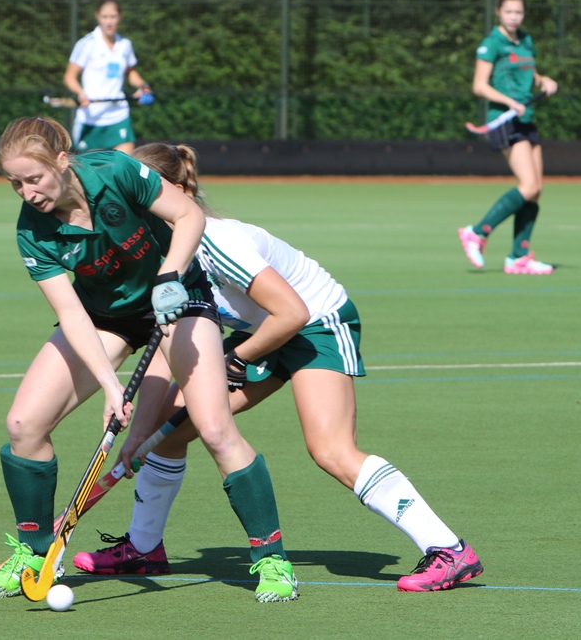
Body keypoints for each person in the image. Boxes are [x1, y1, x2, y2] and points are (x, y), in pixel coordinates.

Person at [73, 143, 483, 593]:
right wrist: (139, 431)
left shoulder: (216, 242)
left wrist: (238, 358)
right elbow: (164, 346)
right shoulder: (159, 255)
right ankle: (143, 548)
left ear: (176, 192)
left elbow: (293, 312)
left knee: (330, 449)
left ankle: (449, 550)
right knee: (168, 430)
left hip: (315, 324)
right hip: (262, 329)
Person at [0, 118, 297, 603]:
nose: (27, 193)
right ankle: (34, 553)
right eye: (15, 184)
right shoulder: (32, 231)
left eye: (34, 179)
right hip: (105, 317)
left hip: (178, 299)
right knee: (24, 424)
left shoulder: (115, 170)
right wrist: (111, 385)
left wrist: (169, 274)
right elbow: (72, 314)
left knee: (214, 428)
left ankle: (272, 559)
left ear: (61, 160)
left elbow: (189, 216)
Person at [459, 0, 559, 275]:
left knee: (536, 191)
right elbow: (479, 85)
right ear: (498, 12)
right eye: (508, 12)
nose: (514, 17)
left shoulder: (526, 41)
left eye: (518, 12)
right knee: (528, 185)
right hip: (504, 119)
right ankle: (477, 232)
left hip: (526, 119)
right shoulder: (492, 44)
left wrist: (544, 80)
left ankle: (518, 257)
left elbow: (529, 73)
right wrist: (509, 102)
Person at [63, 0, 152, 154]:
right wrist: (80, 93)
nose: (109, 22)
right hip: (92, 118)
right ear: (97, 16)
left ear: (120, 17)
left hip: (119, 115)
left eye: (113, 16)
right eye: (104, 17)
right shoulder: (87, 43)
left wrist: (143, 86)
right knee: (92, 168)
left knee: (125, 163)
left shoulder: (125, 45)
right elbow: (69, 77)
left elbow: (130, 72)